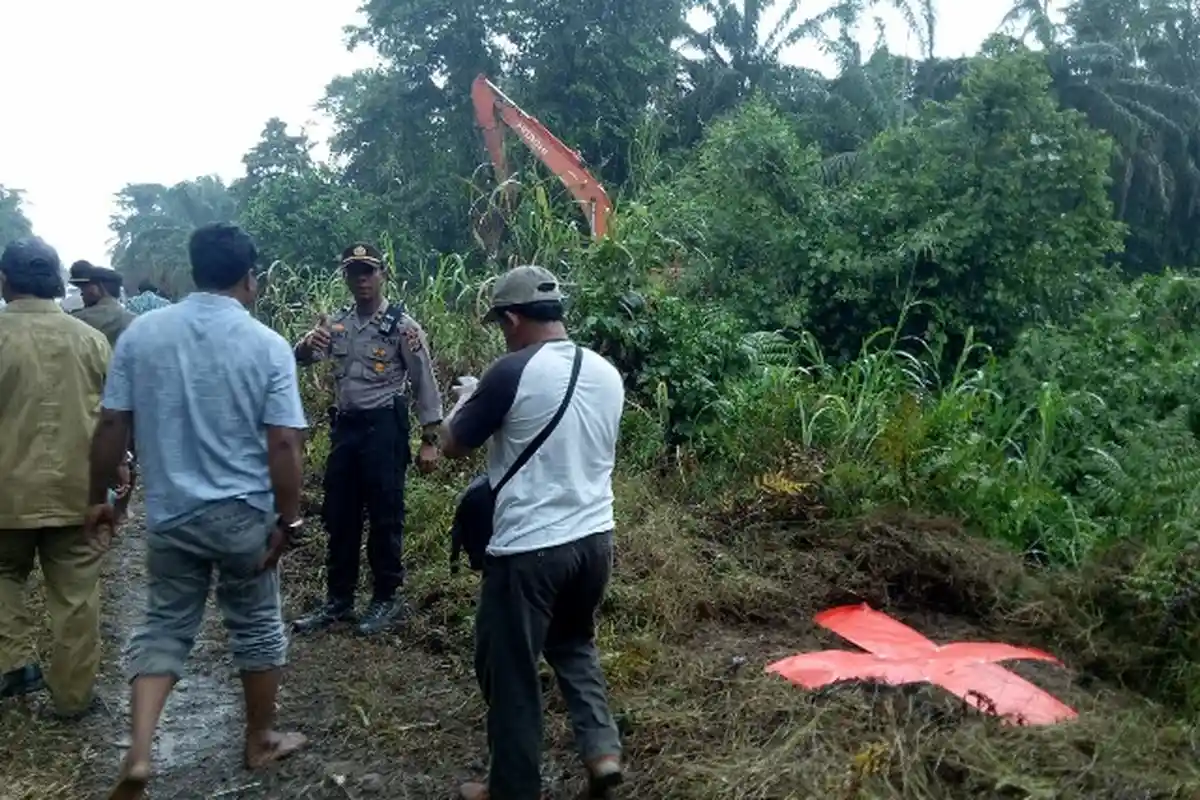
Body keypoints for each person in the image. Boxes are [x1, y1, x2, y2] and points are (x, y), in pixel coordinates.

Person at [85, 223, 309, 799]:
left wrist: (100, 500)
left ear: (193, 270)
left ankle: (139, 754)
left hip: (173, 514)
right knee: (255, 623)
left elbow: (112, 424)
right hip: (244, 514)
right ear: (250, 277)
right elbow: (283, 443)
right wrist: (290, 519)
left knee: (164, 623)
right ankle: (260, 738)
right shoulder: (267, 345)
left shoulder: (144, 336)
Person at [438, 265, 625, 800]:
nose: (503, 333)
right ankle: (603, 752)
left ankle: (512, 789)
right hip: (595, 540)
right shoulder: (606, 371)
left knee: (511, 669)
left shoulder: (511, 370)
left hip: (530, 551)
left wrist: (464, 399)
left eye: (502, 323)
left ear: (514, 318)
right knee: (574, 644)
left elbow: (452, 445)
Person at [291, 242, 444, 636]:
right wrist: (307, 346)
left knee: (384, 514)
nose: (361, 279)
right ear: (345, 276)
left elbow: (425, 383)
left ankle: (385, 597)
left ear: (382, 275)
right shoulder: (337, 324)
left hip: (384, 429)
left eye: (368, 271)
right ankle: (338, 600)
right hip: (346, 428)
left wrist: (430, 438)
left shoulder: (402, 327)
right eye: (353, 272)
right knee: (339, 515)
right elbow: (304, 358)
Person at [0, 238, 112, 718]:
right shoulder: (89, 340)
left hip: (6, 493)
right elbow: (112, 418)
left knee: (2, 574)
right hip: (77, 491)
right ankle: (73, 700)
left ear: (5, 281)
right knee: (76, 597)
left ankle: (14, 662)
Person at [69, 261, 136, 347]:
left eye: (84, 288)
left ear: (96, 288)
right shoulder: (133, 320)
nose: (82, 294)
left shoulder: (79, 319)